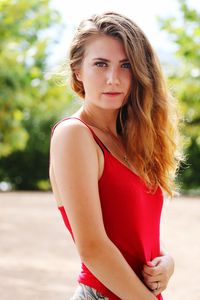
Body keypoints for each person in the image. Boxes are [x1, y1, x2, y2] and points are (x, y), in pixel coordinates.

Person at [49, 11, 181, 300]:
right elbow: (93, 247)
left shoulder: (132, 140)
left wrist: (167, 263)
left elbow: (134, 235)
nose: (113, 78)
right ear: (77, 70)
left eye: (125, 65)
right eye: (100, 64)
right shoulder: (75, 135)